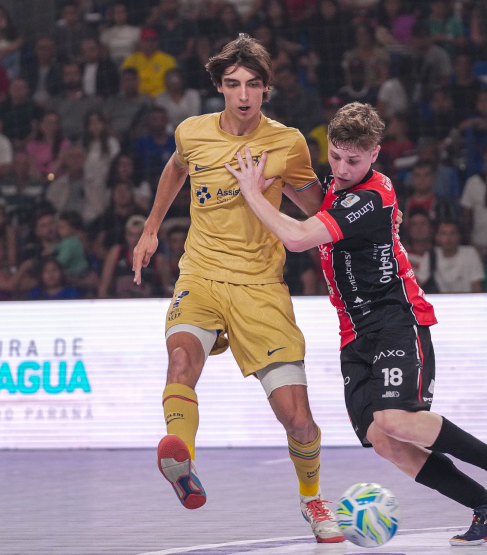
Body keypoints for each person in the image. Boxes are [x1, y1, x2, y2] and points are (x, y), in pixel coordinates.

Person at [228, 102, 487, 546]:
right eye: (334, 156)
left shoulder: (370, 197)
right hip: (354, 334)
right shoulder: (340, 186)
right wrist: (275, 182)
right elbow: (315, 203)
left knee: (398, 420)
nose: (342, 167)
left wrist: (253, 192)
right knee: (382, 439)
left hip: (395, 318)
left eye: (353, 160)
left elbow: (296, 238)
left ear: (375, 154)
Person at [130, 34, 344, 543]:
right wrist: (151, 227)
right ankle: (181, 460)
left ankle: (312, 498)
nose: (243, 95)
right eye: (233, 85)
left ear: (266, 89)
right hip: (200, 275)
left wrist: (358, 230)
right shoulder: (192, 132)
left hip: (260, 288)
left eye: (252, 84)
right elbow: (177, 167)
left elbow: (316, 209)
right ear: (220, 88)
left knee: (298, 421)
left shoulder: (287, 143)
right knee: (181, 361)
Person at [432, 219, 485, 293]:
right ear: (437, 237)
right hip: (440, 303)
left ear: (458, 236)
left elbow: (477, 286)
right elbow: (417, 284)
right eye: (444, 233)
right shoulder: (431, 255)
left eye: (452, 233)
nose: (448, 238)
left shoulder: (470, 253)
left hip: (467, 302)